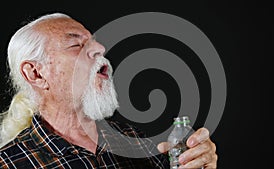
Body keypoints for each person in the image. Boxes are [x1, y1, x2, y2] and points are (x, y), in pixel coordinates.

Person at [0, 12, 217, 168]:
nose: (100, 49)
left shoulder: (133, 140)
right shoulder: (10, 163)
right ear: (36, 74)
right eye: (76, 45)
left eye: (94, 42)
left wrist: (201, 165)